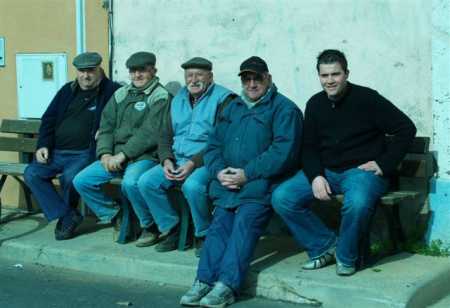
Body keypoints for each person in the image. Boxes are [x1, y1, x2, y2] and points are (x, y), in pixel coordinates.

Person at [271, 49, 417, 276]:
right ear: (319, 76)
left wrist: (383, 163)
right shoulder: (315, 104)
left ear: (346, 73)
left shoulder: (367, 99)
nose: (330, 80)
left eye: (335, 74)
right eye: (324, 75)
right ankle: (324, 246)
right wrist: (316, 176)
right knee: (282, 197)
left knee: (357, 203)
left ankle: (346, 257)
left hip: (361, 173)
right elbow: (308, 147)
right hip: (327, 171)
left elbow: (406, 128)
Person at [180, 56, 303, 307]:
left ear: (268, 78)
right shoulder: (233, 107)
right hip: (227, 185)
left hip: (259, 186)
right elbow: (213, 145)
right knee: (219, 228)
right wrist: (219, 172)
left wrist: (246, 174)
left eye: (257, 78)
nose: (252, 83)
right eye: (247, 78)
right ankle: (203, 280)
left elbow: (283, 152)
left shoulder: (284, 109)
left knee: (243, 227)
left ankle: (227, 285)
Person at [136, 57, 235, 253]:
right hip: (177, 158)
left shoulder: (225, 99)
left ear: (210, 77)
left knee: (193, 186)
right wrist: (166, 160)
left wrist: (192, 163)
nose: (193, 79)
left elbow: (222, 140)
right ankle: (172, 229)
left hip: (209, 159)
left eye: (199, 75)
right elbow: (164, 134)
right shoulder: (178, 98)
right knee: (146, 182)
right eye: (189, 75)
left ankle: (203, 234)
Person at [73, 52, 171, 240]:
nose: (137, 75)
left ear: (153, 71)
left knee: (130, 183)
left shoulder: (161, 95)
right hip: (116, 157)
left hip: (145, 157)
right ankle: (114, 214)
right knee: (82, 181)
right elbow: (106, 126)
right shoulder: (121, 93)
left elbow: (149, 133)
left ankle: (148, 225)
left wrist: (123, 155)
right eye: (133, 71)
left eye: (142, 70)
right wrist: (104, 154)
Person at [24, 52, 121, 241]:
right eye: (81, 71)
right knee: (32, 173)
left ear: (99, 69)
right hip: (56, 152)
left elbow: (123, 119)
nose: (86, 76)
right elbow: (49, 119)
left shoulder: (113, 91)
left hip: (84, 153)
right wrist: (43, 145)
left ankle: (66, 219)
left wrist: (107, 130)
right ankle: (67, 214)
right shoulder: (67, 90)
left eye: (90, 71)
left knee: (70, 177)